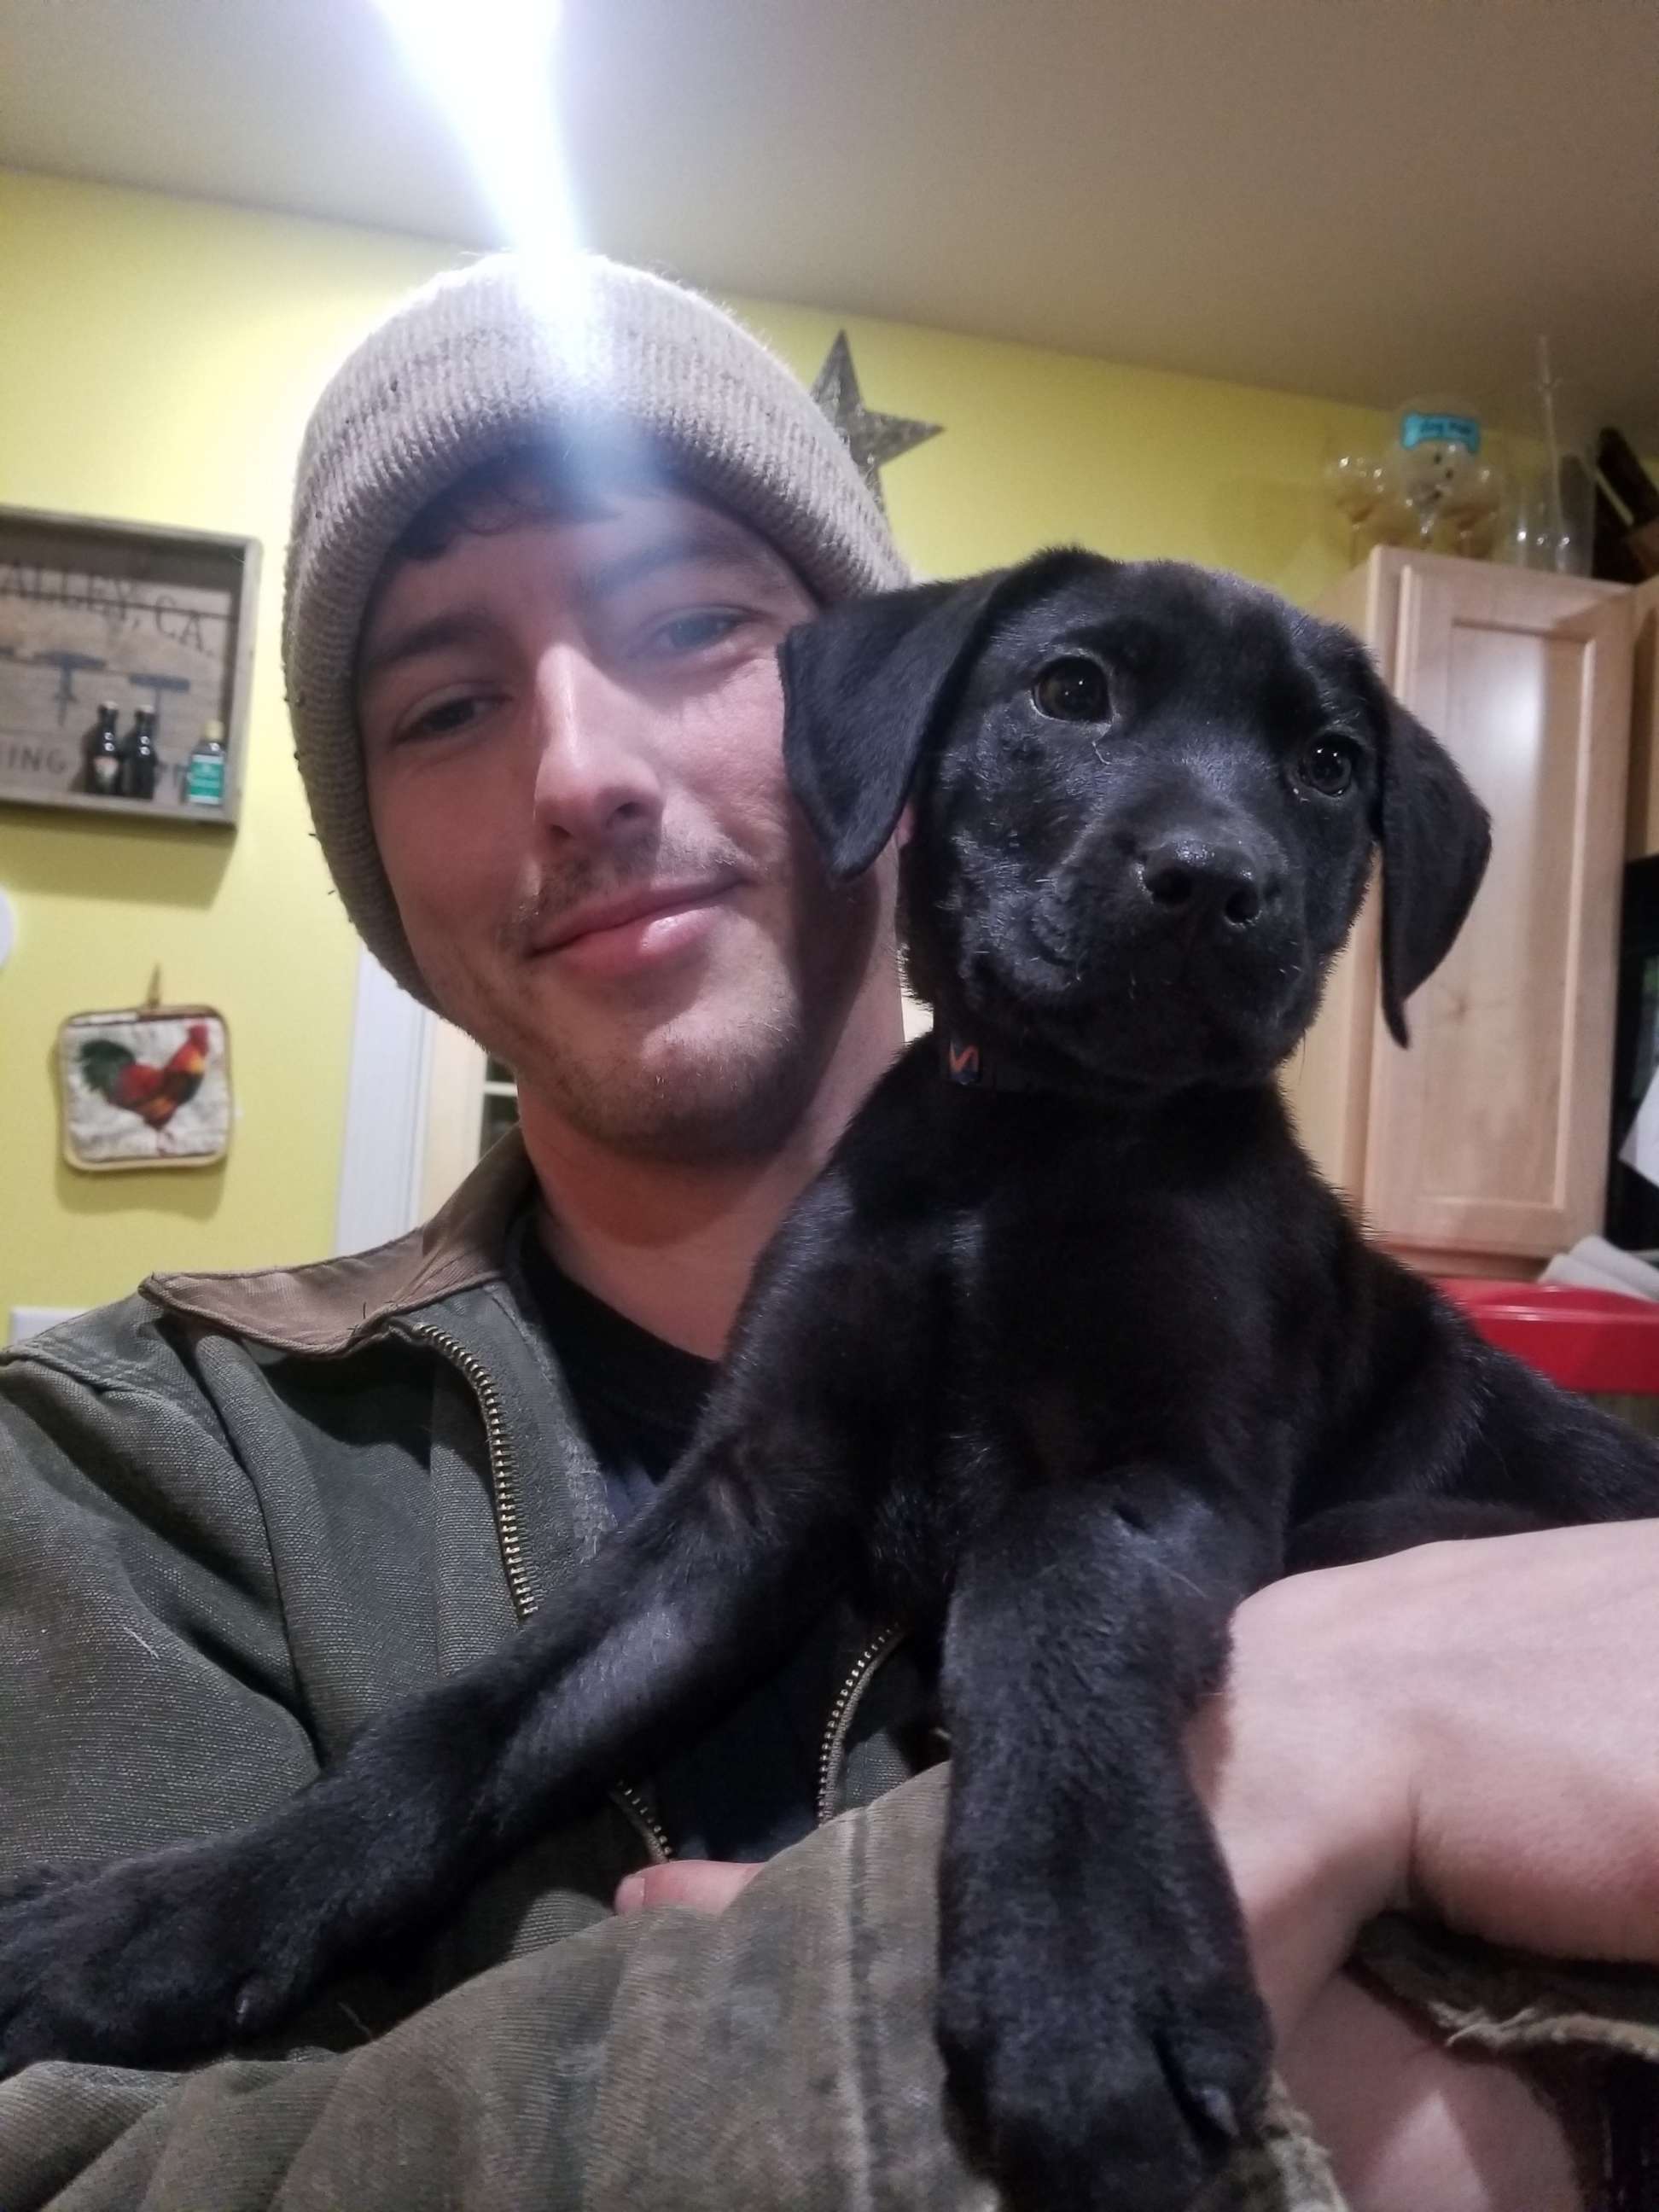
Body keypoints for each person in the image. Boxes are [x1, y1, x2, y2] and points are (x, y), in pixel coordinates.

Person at [2, 252, 1657, 2212]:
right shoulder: (144, 1463)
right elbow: (728, 1548)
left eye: (1312, 773)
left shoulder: (1222, 1204)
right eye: (448, 699)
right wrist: (290, 1878)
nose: (1210, 838)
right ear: (908, 745)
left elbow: (1149, 1500)